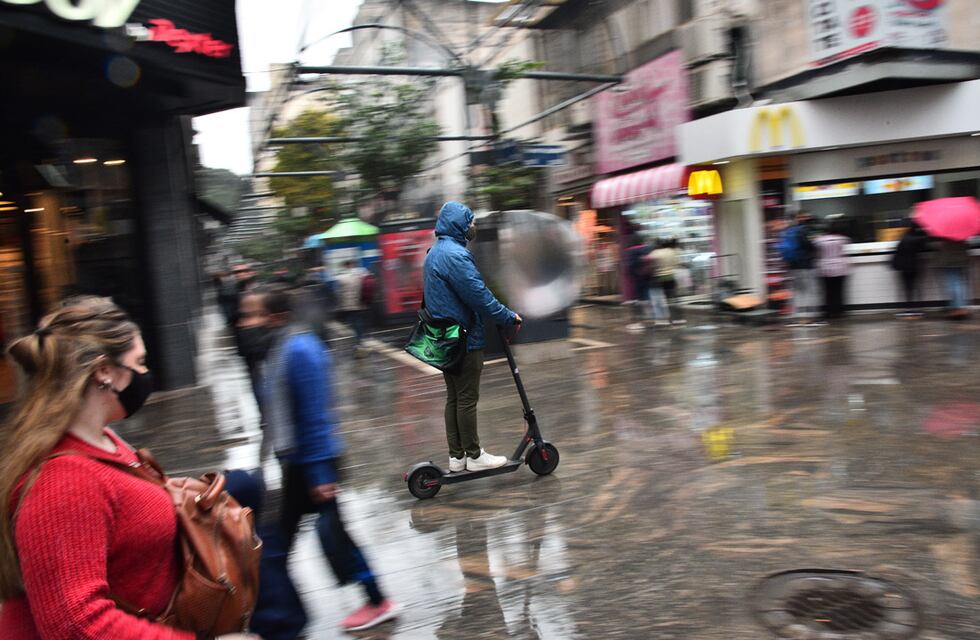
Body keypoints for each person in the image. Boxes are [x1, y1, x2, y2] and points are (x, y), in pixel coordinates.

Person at [0, 296, 255, 640]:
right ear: (104, 372)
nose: (146, 374)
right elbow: (76, 625)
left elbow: (119, 511)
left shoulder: (101, 439)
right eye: (140, 362)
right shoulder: (63, 483)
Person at [244, 285, 398, 634]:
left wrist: (319, 474)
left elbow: (316, 415)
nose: (247, 322)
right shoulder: (283, 346)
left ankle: (375, 601)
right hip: (299, 463)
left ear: (276, 316)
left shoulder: (299, 349)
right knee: (282, 541)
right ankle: (282, 613)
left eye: (254, 315)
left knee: (323, 538)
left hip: (312, 464)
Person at [423, 201, 521, 473]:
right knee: (466, 399)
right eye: (470, 222)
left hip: (444, 338)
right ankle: (475, 455)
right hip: (464, 339)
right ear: (459, 225)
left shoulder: (434, 253)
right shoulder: (455, 255)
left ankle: (458, 456)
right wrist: (507, 316)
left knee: (454, 398)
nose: (472, 227)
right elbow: (478, 295)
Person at [779, 212, 818, 326]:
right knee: (808, 291)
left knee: (796, 291)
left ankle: (795, 316)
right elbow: (810, 245)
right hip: (805, 265)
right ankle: (808, 317)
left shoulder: (787, 232)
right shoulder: (802, 231)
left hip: (793, 266)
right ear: (797, 219)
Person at [814, 219, 852, 322]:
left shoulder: (819, 240)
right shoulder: (843, 239)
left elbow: (816, 252)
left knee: (827, 291)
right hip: (840, 267)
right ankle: (839, 312)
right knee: (839, 291)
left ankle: (828, 312)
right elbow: (845, 250)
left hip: (825, 268)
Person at [890, 221, 928, 318]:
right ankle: (915, 308)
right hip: (912, 265)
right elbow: (923, 247)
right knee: (914, 286)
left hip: (903, 265)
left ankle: (908, 308)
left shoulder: (904, 236)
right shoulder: (918, 238)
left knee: (907, 287)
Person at [334, 259, 369, 352]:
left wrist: (339, 305)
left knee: (351, 323)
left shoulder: (340, 278)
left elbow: (338, 294)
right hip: (359, 303)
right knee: (359, 322)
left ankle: (356, 341)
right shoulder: (360, 274)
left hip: (347, 305)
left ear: (345, 266)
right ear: (352, 265)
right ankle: (359, 340)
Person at [936, 239, 971, 319]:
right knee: (959, 283)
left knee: (953, 283)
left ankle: (958, 308)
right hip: (961, 259)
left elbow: (939, 246)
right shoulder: (962, 234)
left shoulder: (945, 235)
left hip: (949, 260)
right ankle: (958, 306)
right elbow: (967, 246)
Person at [650, 238, 681, 326]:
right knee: (671, 299)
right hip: (671, 277)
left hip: (659, 278)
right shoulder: (671, 251)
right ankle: (675, 318)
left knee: (660, 300)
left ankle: (663, 319)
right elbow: (676, 263)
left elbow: (652, 265)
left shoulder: (654, 253)